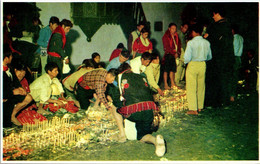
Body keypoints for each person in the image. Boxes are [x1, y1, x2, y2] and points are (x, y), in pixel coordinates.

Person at [117, 63, 166, 157]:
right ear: (130, 68)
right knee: (143, 133)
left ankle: (122, 134)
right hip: (149, 110)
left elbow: (120, 97)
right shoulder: (141, 77)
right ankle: (156, 142)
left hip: (134, 112)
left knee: (116, 108)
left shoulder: (121, 77)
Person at [204, 5, 235, 107]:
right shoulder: (228, 25)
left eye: (214, 15)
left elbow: (211, 40)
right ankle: (224, 101)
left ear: (217, 14)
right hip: (226, 58)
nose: (213, 17)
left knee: (215, 80)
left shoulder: (216, 26)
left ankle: (215, 101)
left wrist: (207, 37)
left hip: (217, 59)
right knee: (224, 80)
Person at [184, 24, 212, 115]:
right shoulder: (207, 43)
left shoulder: (191, 43)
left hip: (192, 64)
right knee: (201, 86)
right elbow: (209, 57)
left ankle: (193, 109)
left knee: (191, 87)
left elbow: (187, 58)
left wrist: (184, 62)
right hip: (202, 65)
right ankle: (200, 107)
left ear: (194, 32)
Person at [3, 44, 33, 126]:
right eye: (11, 56)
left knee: (28, 97)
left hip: (9, 96)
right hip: (5, 96)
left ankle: (12, 115)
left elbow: (15, 81)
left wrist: (20, 88)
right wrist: (13, 92)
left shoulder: (10, 68)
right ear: (6, 58)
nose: (12, 58)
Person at [162, 23, 182, 90]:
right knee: (166, 70)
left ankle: (172, 84)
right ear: (169, 29)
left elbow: (179, 45)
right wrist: (173, 53)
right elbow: (166, 47)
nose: (174, 30)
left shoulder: (176, 36)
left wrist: (178, 53)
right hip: (168, 55)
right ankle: (165, 84)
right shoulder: (166, 36)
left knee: (172, 70)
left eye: (175, 29)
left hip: (174, 55)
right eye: (172, 29)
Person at [231, 25, 244, 101]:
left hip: (234, 57)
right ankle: (233, 94)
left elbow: (233, 49)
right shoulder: (241, 37)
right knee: (235, 77)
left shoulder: (234, 38)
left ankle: (232, 95)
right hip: (239, 57)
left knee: (232, 77)